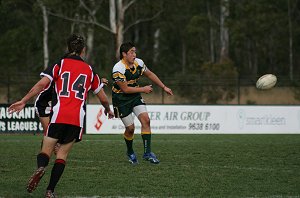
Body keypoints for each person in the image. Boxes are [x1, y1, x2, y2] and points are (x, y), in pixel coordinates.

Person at [8, 34, 114, 198]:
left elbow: (42, 84)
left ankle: (41, 167)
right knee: (62, 155)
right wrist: (107, 109)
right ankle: (50, 191)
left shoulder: (60, 63)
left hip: (58, 114)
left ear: (68, 48)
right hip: (76, 118)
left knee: (46, 150)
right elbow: (102, 97)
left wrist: (24, 100)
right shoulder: (89, 70)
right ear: (83, 50)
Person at [112, 42, 173, 165]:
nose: (134, 54)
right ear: (124, 54)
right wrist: (143, 89)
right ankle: (130, 152)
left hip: (134, 96)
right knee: (130, 129)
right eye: (131, 52)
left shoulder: (139, 63)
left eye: (135, 51)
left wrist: (164, 87)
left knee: (146, 120)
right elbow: (125, 89)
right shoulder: (118, 68)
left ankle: (147, 153)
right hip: (121, 99)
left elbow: (150, 74)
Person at [35, 77, 109, 154]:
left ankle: (51, 153)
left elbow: (81, 84)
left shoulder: (73, 73)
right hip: (44, 104)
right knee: (50, 134)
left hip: (58, 105)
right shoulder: (59, 71)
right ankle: (44, 156)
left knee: (57, 136)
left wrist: (99, 84)